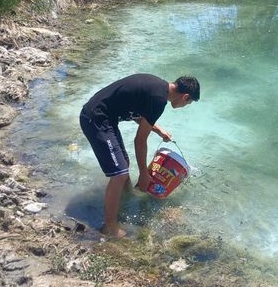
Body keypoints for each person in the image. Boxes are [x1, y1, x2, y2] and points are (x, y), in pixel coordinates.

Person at [79, 73, 200, 238]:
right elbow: (140, 141)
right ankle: (110, 227)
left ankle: (125, 197)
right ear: (185, 96)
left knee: (123, 163)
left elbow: (136, 112)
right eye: (189, 102)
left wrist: (158, 130)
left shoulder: (157, 87)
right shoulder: (159, 99)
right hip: (96, 119)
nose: (187, 105)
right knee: (119, 174)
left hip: (104, 118)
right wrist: (144, 174)